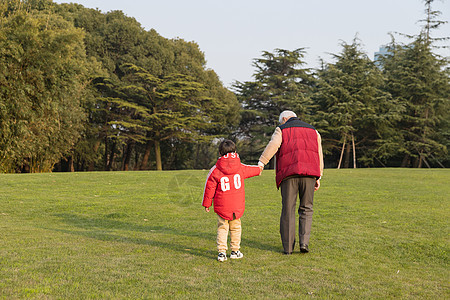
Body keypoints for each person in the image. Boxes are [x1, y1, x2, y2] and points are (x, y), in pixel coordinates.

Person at [258, 110, 323, 255]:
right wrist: (319, 176)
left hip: (289, 175)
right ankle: (304, 243)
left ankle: (287, 248)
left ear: (285, 119)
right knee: (307, 209)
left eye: (281, 121)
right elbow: (319, 154)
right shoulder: (314, 131)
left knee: (288, 209)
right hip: (310, 174)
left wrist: (262, 162)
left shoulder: (281, 129)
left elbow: (273, 145)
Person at [202, 140, 261, 262]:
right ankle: (235, 251)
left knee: (222, 228)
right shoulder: (239, 166)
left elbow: (209, 187)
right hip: (236, 205)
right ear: (235, 152)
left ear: (219, 153)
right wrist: (259, 169)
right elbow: (251, 170)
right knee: (236, 228)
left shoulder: (215, 169)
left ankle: (222, 253)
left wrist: (207, 204)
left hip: (222, 206)